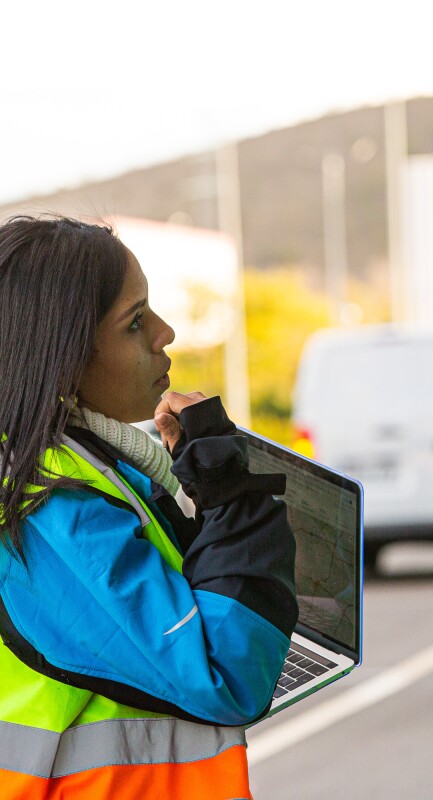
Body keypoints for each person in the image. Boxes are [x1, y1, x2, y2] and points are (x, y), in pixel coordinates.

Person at [0, 215, 298, 799]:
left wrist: (203, 476)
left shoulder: (84, 463)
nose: (166, 334)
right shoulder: (48, 506)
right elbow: (226, 673)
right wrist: (232, 492)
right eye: (135, 322)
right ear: (63, 357)